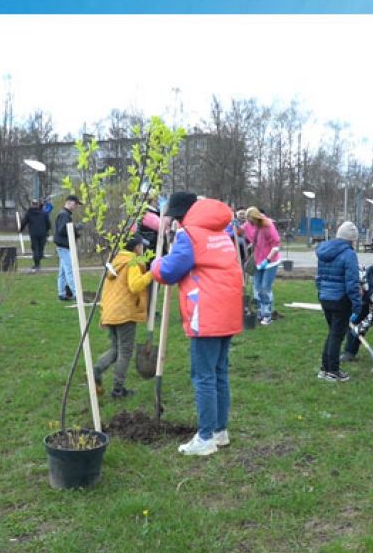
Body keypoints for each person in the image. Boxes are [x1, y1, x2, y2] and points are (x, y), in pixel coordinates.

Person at [152, 192, 242, 457]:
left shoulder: (189, 235)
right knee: (219, 374)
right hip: (228, 311)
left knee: (203, 376)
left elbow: (169, 271)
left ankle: (205, 438)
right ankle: (219, 431)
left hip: (207, 312)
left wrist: (156, 264)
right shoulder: (220, 233)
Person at [93, 233, 152, 398]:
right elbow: (135, 285)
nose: (144, 248)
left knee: (115, 349)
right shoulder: (133, 262)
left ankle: (96, 370)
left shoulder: (116, 261)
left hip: (110, 312)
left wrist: (103, 314)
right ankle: (118, 390)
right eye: (142, 245)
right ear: (136, 247)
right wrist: (151, 274)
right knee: (125, 351)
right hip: (124, 313)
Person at [315, 221, 362, 383]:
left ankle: (325, 368)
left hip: (325, 297)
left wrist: (320, 293)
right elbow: (352, 282)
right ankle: (333, 370)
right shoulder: (349, 254)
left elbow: (319, 277)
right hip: (341, 300)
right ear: (351, 239)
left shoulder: (323, 251)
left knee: (332, 334)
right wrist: (357, 304)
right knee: (337, 336)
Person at [244, 206, 282, 325]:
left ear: (255, 218)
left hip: (270, 262)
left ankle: (267, 315)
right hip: (258, 260)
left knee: (265, 288)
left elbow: (276, 245)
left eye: (251, 220)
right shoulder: (250, 225)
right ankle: (260, 312)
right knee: (257, 288)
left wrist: (267, 259)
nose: (249, 223)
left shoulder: (268, 226)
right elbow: (247, 235)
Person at [53, 194, 82, 301]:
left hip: (62, 246)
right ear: (69, 202)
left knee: (63, 272)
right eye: (76, 204)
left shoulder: (64, 214)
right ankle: (76, 294)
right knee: (70, 270)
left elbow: (65, 229)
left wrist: (75, 230)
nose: (76, 206)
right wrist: (76, 228)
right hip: (64, 247)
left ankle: (61, 293)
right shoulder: (64, 215)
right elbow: (63, 230)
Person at [19, 199, 51, 272]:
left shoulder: (29, 213)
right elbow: (48, 224)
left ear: (31, 204)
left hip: (34, 233)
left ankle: (37, 264)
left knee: (35, 248)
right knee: (40, 248)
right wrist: (47, 230)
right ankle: (39, 258)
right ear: (37, 205)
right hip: (43, 233)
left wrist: (20, 229)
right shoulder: (44, 213)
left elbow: (24, 222)